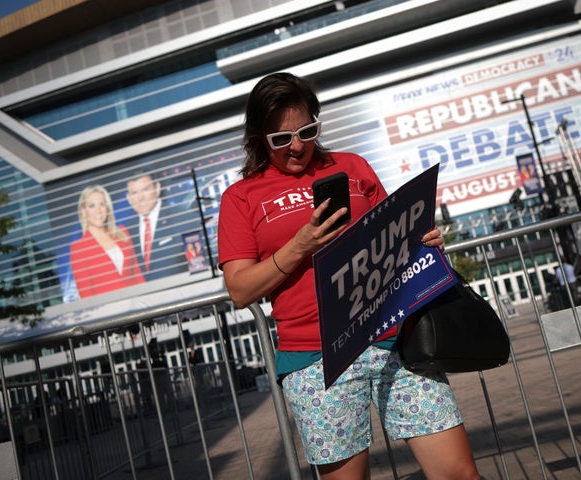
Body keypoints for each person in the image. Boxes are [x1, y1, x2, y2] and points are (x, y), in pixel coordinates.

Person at [217, 72, 479, 479]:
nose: (298, 146)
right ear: (258, 138)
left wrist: (422, 238)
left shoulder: (352, 166)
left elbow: (397, 239)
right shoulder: (241, 198)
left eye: (306, 131)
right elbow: (238, 289)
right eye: (282, 139)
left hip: (395, 342)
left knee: (460, 474)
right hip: (315, 361)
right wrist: (300, 245)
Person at [70, 185, 144, 298]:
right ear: (83, 211)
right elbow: (86, 295)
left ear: (107, 208)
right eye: (91, 206)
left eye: (102, 204)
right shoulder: (78, 248)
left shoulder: (123, 234)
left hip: (137, 304)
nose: (98, 211)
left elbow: (137, 275)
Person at [126, 170, 191, 281]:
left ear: (157, 188)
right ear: (129, 198)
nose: (140, 198)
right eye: (134, 193)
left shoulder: (183, 219)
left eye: (145, 189)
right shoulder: (127, 231)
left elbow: (199, 265)